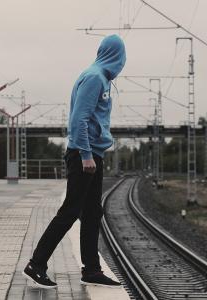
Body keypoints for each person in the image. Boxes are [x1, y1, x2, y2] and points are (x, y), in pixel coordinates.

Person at [23, 35, 126, 289]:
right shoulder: (94, 78)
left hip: (92, 154)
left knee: (92, 212)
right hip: (85, 156)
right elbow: (78, 119)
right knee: (71, 210)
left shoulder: (100, 78)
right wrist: (86, 154)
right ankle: (36, 264)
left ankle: (91, 270)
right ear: (116, 56)